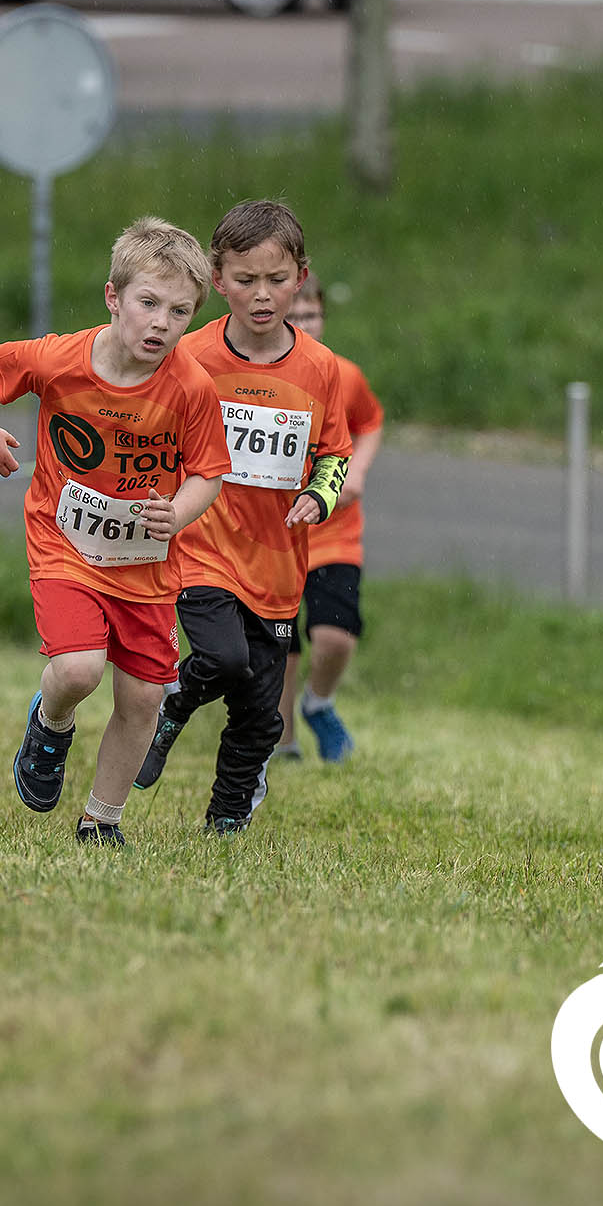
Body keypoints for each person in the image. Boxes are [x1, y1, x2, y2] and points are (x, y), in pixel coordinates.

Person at [0, 217, 229, 845]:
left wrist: (179, 512)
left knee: (143, 700)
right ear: (113, 297)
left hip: (147, 563)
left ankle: (101, 822)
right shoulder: (61, 361)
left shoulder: (190, 387)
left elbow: (209, 473)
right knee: (79, 670)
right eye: (148, 303)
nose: (161, 323)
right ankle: (51, 724)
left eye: (180, 312)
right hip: (66, 544)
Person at [128, 201, 352, 833]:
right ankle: (175, 701)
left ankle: (225, 822)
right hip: (200, 547)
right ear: (218, 279)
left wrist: (320, 497)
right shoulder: (190, 355)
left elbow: (334, 453)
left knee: (260, 712)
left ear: (300, 278)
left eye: (277, 280)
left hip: (277, 562)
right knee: (225, 658)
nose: (262, 295)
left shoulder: (320, 368)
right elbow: (150, 428)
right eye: (245, 279)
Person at [272, 269, 383, 763]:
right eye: (294, 316)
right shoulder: (257, 378)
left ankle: (319, 703)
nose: (305, 324)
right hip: (273, 536)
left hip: (333, 534)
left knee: (334, 636)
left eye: (312, 314)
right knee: (280, 645)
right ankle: (282, 741)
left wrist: (355, 473)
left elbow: (370, 423)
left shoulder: (344, 375)